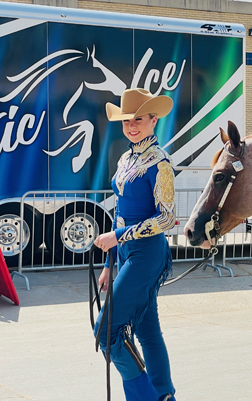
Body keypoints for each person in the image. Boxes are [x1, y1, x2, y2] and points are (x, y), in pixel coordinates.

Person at [93, 88, 177, 401]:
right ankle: (165, 395)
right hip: (127, 255)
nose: (132, 125)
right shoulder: (126, 157)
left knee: (105, 331)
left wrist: (120, 237)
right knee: (147, 331)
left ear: (153, 120)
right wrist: (108, 262)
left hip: (147, 255)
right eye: (127, 119)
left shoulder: (161, 164)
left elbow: (167, 219)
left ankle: (145, 397)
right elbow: (119, 211)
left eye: (138, 119)